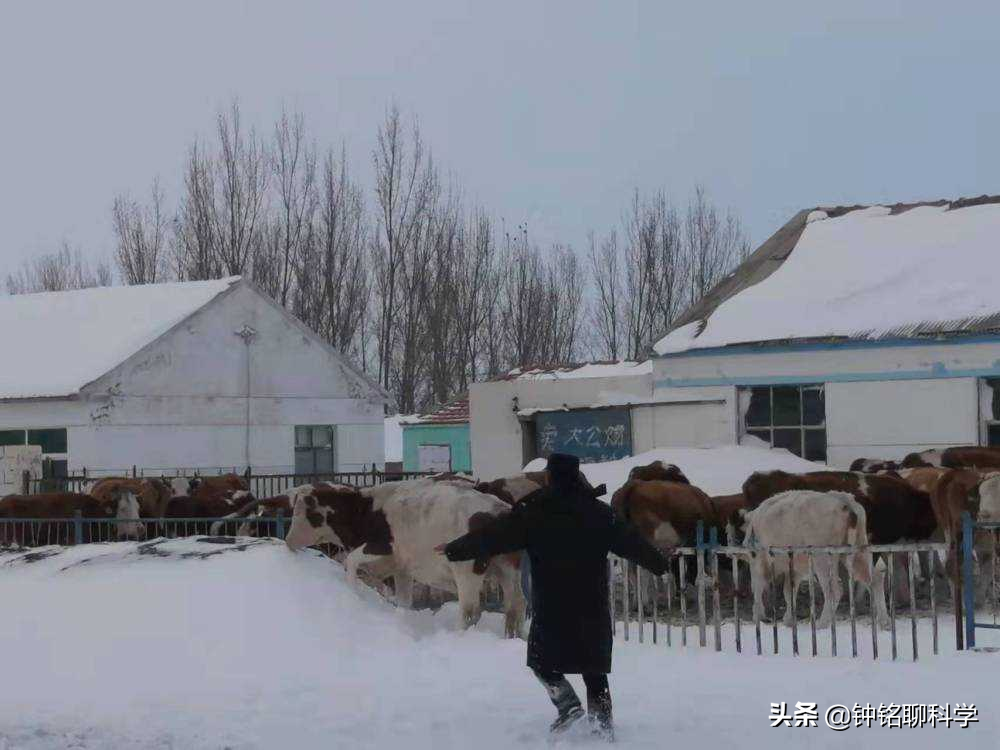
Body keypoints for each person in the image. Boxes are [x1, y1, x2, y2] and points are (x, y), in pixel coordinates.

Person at [438, 453, 670, 740]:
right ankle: (602, 727)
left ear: (550, 477)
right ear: (576, 476)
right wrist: (660, 563)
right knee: (594, 670)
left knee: (541, 662)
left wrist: (454, 549)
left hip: (552, 604)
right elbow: (633, 543)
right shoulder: (598, 512)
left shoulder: (535, 510)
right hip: (591, 603)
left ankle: (568, 705)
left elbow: (493, 536)